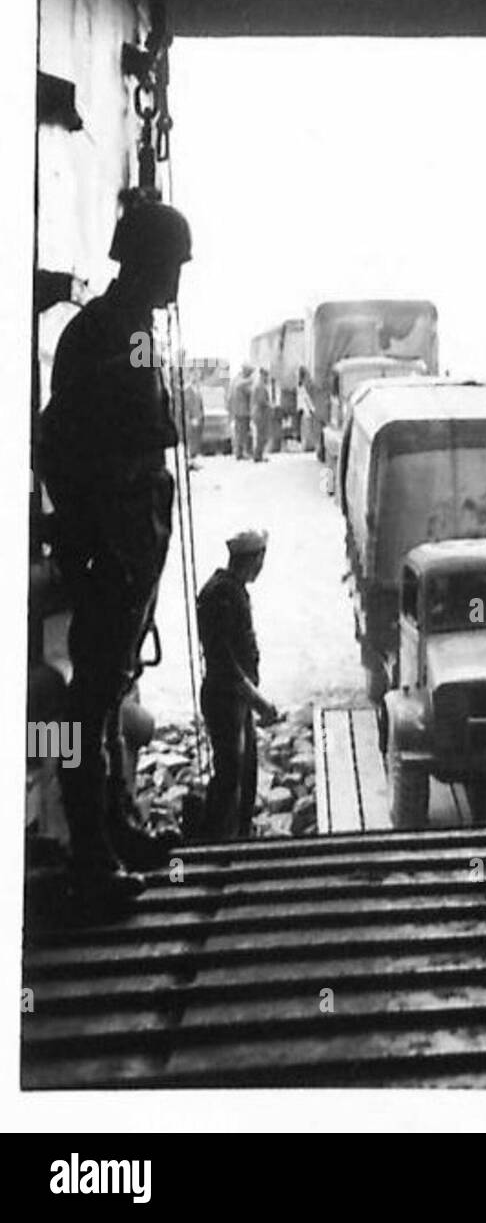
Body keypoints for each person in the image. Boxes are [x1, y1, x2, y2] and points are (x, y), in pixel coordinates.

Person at [38, 191, 193, 911]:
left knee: (104, 692)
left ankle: (114, 829)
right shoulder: (103, 333)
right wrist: (91, 535)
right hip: (109, 542)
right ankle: (89, 854)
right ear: (144, 261)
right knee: (88, 699)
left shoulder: (129, 331)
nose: (176, 281)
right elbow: (64, 441)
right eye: (171, 264)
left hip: (128, 543)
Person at [197, 529, 280, 841]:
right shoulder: (223, 594)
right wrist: (258, 700)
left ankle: (237, 837)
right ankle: (214, 842)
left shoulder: (229, 589)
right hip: (225, 698)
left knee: (243, 775)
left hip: (234, 698)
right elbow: (223, 662)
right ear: (256, 559)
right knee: (230, 777)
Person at [229, 363, 253, 459]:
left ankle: (239, 452)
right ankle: (242, 453)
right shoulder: (242, 382)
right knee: (243, 433)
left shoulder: (235, 380)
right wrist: (251, 382)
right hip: (243, 412)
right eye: (250, 372)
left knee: (240, 432)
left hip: (237, 411)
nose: (250, 374)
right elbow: (249, 391)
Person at [250, 368, 271, 462]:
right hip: (260, 413)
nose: (267, 378)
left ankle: (258, 455)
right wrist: (270, 405)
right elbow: (262, 401)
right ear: (263, 376)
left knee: (260, 435)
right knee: (261, 436)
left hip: (258, 413)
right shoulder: (261, 386)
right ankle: (258, 456)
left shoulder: (258, 385)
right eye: (266, 376)